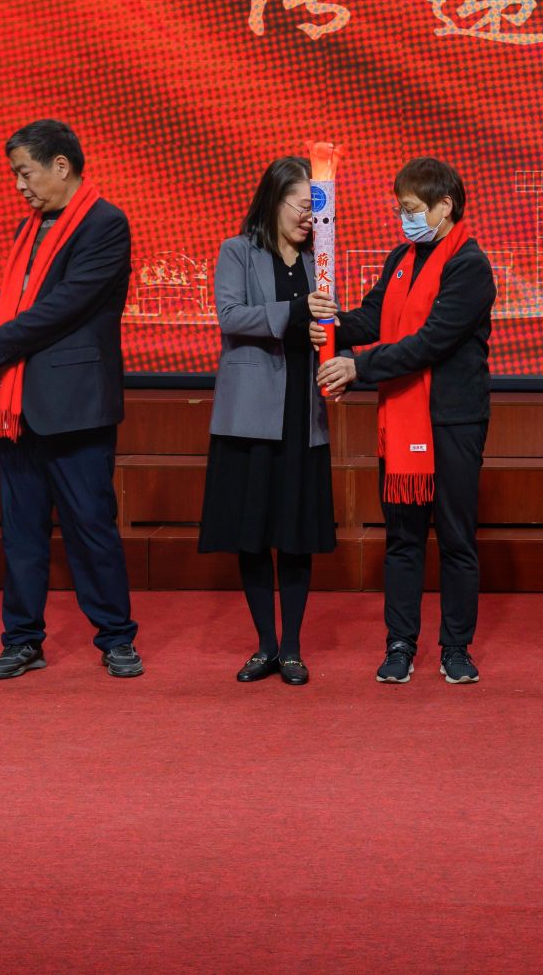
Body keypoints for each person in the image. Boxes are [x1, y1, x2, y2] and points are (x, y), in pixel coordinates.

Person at [0, 120, 141, 680]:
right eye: (15, 175)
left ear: (61, 165)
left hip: (76, 405)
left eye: (25, 173)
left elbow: (65, 305)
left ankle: (116, 637)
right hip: (17, 404)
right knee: (22, 532)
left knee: (90, 527)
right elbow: (18, 301)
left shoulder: (105, 224)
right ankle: (22, 639)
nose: (19, 185)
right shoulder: (28, 228)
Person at [312, 158, 496, 685]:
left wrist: (359, 366)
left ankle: (455, 646)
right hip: (402, 418)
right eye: (400, 209)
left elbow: (432, 340)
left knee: (456, 539)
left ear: (445, 206)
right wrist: (330, 324)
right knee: (402, 538)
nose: (404, 218)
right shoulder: (401, 257)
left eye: (412, 209)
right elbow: (373, 317)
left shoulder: (470, 265)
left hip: (453, 420)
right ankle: (400, 643)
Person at [198, 156, 336, 686]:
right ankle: (265, 646)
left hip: (302, 411)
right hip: (249, 415)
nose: (308, 219)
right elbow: (230, 316)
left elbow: (331, 323)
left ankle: (293, 649)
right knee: (252, 534)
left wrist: (336, 344)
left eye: (314, 211)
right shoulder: (237, 250)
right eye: (301, 207)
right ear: (274, 200)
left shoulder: (321, 259)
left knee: (296, 534)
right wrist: (297, 311)